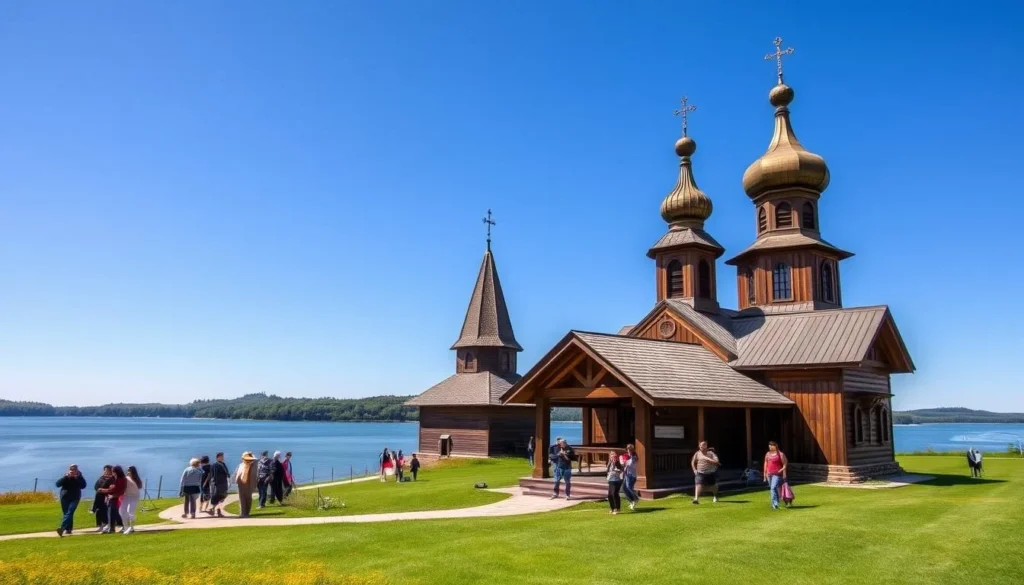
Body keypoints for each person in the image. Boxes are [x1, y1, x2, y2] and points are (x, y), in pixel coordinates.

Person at [55, 464, 87, 537]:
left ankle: (62, 528)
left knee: (70, 511)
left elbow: (83, 486)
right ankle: (68, 529)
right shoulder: (66, 476)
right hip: (65, 497)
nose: (73, 471)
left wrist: (77, 478)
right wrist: (65, 477)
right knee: (67, 513)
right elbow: (57, 484)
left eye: (74, 469)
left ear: (77, 470)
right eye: (71, 469)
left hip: (75, 497)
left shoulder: (79, 477)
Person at [98, 465, 127, 533]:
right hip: (111, 497)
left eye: (114, 472)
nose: (113, 473)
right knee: (111, 512)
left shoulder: (121, 479)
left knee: (113, 512)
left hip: (117, 498)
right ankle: (111, 527)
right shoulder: (113, 478)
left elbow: (117, 489)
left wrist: (104, 490)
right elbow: (105, 485)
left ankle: (113, 528)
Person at [763, 441, 788, 510]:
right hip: (769, 474)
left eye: (772, 445)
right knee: (774, 489)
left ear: (776, 446)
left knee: (773, 488)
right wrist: (764, 474)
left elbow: (785, 463)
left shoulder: (780, 454)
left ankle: (774, 504)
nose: (770, 446)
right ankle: (776, 502)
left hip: (777, 474)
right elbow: (765, 463)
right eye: (769, 445)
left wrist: (782, 470)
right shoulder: (768, 454)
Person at [234, 452, 258, 518]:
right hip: (241, 484)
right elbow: (236, 473)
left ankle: (246, 513)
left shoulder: (253, 466)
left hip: (249, 484)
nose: (247, 461)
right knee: (242, 499)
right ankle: (243, 513)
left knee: (248, 499)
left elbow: (254, 476)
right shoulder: (241, 465)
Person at [91, 465, 114, 532]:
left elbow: (110, 487)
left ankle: (107, 524)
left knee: (105, 510)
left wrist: (103, 489)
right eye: (105, 470)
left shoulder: (112, 479)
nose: (106, 472)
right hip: (99, 496)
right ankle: (100, 525)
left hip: (106, 496)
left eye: (108, 470)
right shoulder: (101, 478)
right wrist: (98, 489)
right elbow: (96, 486)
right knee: (99, 511)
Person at [120, 466, 142, 534]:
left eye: (129, 470)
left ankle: (131, 527)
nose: (128, 472)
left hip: (133, 497)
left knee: (130, 511)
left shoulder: (136, 479)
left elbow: (139, 486)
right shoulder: (126, 478)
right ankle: (125, 526)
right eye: (128, 470)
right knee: (122, 511)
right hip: (126, 497)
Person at [207, 452, 231, 517]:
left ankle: (215, 509)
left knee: (222, 497)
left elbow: (227, 473)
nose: (223, 458)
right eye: (221, 457)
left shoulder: (223, 464)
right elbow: (214, 475)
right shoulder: (215, 465)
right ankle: (215, 510)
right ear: (218, 457)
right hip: (218, 484)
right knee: (218, 497)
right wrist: (215, 484)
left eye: (223, 457)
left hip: (223, 483)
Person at [621, 444, 640, 510]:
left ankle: (636, 498)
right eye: (627, 449)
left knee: (629, 487)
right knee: (624, 488)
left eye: (629, 450)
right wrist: (623, 461)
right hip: (626, 474)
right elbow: (623, 463)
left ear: (632, 450)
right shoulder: (627, 456)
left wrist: (625, 461)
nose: (628, 451)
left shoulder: (634, 456)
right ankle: (631, 501)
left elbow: (631, 464)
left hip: (631, 475)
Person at [606, 450, 624, 515]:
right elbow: (608, 471)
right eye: (611, 455)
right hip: (610, 480)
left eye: (614, 455)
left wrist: (616, 463)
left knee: (614, 493)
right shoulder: (609, 463)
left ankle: (617, 508)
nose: (613, 456)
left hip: (617, 480)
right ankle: (612, 508)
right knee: (609, 495)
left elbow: (621, 469)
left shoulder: (617, 462)